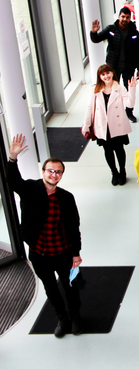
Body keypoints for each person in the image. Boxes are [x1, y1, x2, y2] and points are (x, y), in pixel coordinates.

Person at [7, 134, 84, 338]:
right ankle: (62, 318)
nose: (54, 174)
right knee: (51, 288)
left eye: (58, 172)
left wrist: (76, 253)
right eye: (51, 171)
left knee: (70, 286)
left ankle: (75, 316)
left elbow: (74, 227)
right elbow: (13, 181)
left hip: (63, 252)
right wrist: (12, 159)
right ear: (43, 172)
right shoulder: (31, 189)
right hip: (39, 254)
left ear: (61, 176)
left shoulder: (66, 198)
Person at [81, 64, 137, 185]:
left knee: (119, 149)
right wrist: (85, 126)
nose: (106, 76)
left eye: (108, 73)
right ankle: (114, 172)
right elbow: (90, 108)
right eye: (103, 74)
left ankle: (122, 171)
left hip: (116, 125)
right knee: (107, 150)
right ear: (100, 77)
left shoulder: (120, 88)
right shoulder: (95, 89)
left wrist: (132, 89)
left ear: (112, 73)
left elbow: (130, 104)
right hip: (102, 126)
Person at [90, 7, 139, 123]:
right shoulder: (111, 30)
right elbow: (96, 39)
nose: (124, 19)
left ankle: (129, 112)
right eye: (123, 16)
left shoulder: (134, 32)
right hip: (113, 68)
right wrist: (94, 32)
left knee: (130, 91)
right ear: (119, 17)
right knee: (111, 90)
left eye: (127, 17)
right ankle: (111, 113)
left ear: (130, 18)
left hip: (129, 68)